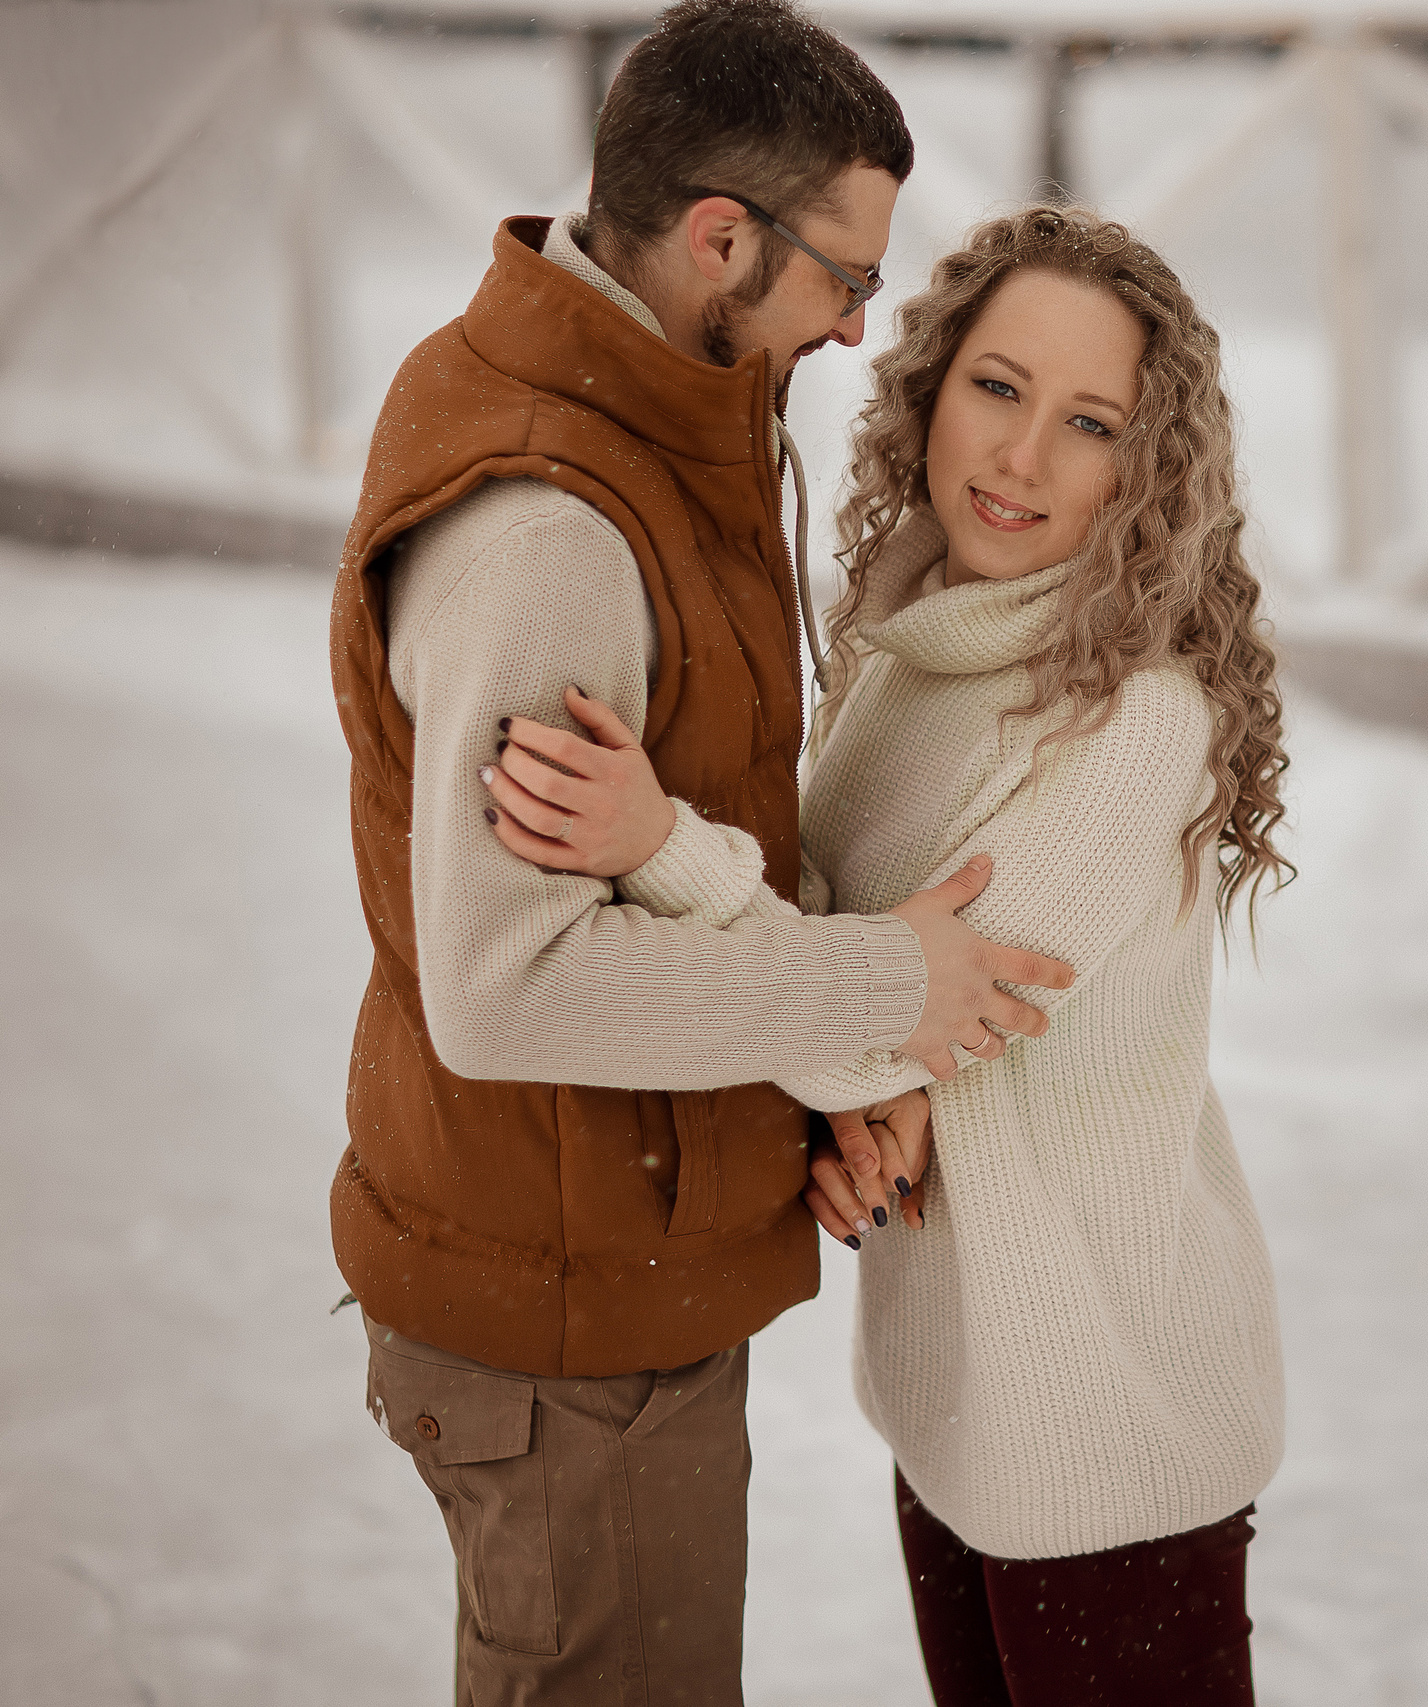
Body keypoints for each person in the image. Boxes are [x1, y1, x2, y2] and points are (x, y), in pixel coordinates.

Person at [322, 5, 1071, 1701]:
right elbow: (510, 990)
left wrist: (820, 1069)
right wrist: (890, 987)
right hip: (569, 1325)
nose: (863, 323)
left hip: (597, 1267)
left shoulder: (652, 403)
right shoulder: (553, 532)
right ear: (718, 238)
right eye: (841, 278)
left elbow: (681, 825)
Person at [486, 205, 1292, 1705]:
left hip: (1110, 1419)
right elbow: (847, 964)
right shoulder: (910, 640)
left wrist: (656, 846)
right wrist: (854, 1102)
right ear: (931, 387)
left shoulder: (1131, 719)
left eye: (1090, 423)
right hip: (958, 1392)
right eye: (998, 387)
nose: (1021, 459)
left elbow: (886, 1011)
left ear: (1147, 468)